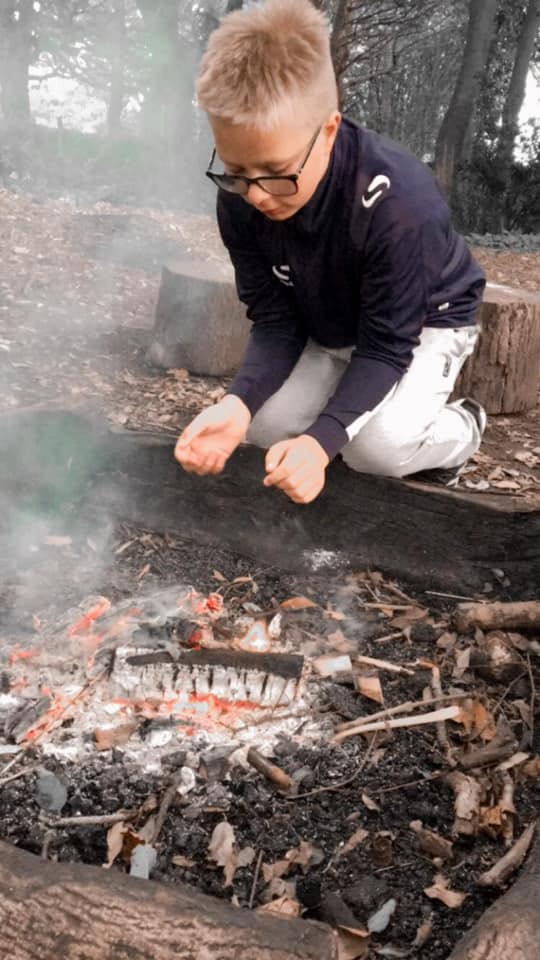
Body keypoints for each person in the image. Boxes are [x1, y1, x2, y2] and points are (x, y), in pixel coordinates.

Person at [175, 0, 486, 505]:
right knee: (263, 428)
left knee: (375, 452)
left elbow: (387, 346)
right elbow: (276, 320)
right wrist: (237, 404)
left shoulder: (401, 204)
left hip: (426, 320)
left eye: (275, 170)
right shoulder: (242, 195)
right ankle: (343, 410)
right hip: (329, 317)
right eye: (234, 168)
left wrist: (321, 443)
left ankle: (462, 429)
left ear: (328, 130)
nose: (254, 194)